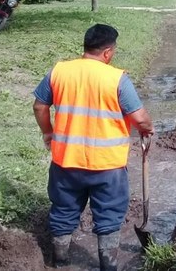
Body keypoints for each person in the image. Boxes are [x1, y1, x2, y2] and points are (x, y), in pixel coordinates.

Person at [32, 24, 154, 271]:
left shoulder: (59, 72)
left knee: (64, 210)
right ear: (108, 52)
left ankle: (60, 262)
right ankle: (108, 266)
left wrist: (48, 132)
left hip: (66, 163)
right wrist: (147, 130)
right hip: (107, 168)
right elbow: (140, 118)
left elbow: (39, 106)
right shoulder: (116, 79)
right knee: (108, 217)